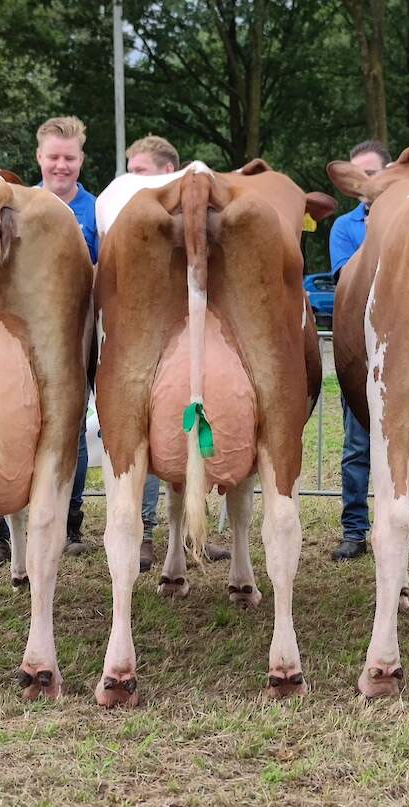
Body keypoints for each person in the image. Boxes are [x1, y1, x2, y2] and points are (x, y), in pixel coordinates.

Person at [0, 115, 98, 565]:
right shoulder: (17, 203)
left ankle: (68, 524)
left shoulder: (97, 210)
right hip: (18, 335)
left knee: (73, 431)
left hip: (73, 335)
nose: (61, 166)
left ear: (81, 159)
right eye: (53, 157)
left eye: (69, 158)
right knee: (6, 422)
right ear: (39, 157)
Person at [122, 135, 232, 573]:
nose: (133, 180)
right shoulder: (124, 209)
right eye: (130, 170)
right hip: (145, 339)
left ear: (170, 173)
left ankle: (188, 532)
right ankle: (149, 533)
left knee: (178, 430)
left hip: (188, 333)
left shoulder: (191, 212)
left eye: (141, 171)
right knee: (150, 438)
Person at [329, 139, 409, 562]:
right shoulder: (346, 227)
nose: (366, 182)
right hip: (361, 348)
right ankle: (354, 529)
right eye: (360, 175)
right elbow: (348, 277)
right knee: (359, 442)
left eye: (374, 173)